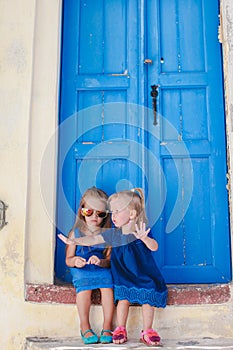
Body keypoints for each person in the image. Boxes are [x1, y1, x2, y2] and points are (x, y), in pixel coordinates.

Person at [58, 188, 167, 347]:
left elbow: (154, 247)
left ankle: (147, 330)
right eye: (112, 212)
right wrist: (75, 242)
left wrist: (145, 239)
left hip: (142, 273)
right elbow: (94, 239)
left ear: (131, 215)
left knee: (148, 298)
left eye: (116, 211)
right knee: (123, 298)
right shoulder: (113, 234)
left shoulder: (140, 231)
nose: (113, 216)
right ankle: (121, 328)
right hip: (123, 275)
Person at [64, 187, 114, 345]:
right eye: (89, 212)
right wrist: (76, 261)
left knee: (107, 286)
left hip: (99, 268)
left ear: (105, 215)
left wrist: (100, 262)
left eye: (100, 214)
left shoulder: (106, 235)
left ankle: (107, 325)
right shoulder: (76, 233)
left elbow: (108, 260)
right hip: (81, 269)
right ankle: (84, 324)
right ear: (81, 211)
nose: (94, 217)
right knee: (84, 289)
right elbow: (68, 259)